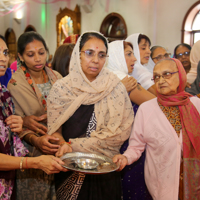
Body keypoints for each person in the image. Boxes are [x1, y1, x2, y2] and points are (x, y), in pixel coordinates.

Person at [47, 31, 134, 200]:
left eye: (101, 55)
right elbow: (54, 130)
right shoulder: (61, 89)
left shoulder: (115, 87)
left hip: (106, 169)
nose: (96, 60)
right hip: (69, 168)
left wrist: (74, 145)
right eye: (89, 53)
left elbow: (120, 133)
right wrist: (63, 145)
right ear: (77, 55)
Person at [113, 58, 200, 200]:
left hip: (194, 183)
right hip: (162, 186)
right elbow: (136, 146)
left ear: (181, 75)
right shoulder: (146, 109)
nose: (161, 80)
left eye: (167, 74)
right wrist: (125, 158)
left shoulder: (196, 105)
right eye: (157, 76)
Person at [0, 34, 67, 200]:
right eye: (30, 55)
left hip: (59, 146)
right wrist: (34, 137)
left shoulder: (57, 78)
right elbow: (13, 127)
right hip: (28, 152)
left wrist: (61, 139)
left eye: (41, 53)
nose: (38, 59)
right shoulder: (14, 84)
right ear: (21, 57)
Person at [107, 40, 155, 199]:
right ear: (116, 57)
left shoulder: (107, 78)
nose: (134, 59)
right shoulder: (126, 81)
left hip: (115, 144)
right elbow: (156, 104)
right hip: (131, 145)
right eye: (128, 54)